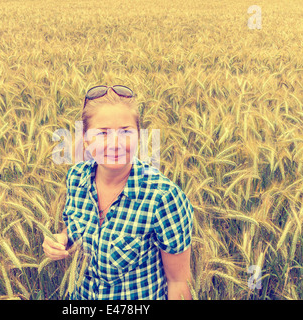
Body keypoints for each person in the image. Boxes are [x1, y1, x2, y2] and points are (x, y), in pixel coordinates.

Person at [42, 85, 194, 300]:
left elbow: (178, 282)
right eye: (102, 133)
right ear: (85, 138)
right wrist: (61, 240)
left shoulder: (163, 197)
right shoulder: (76, 178)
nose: (115, 143)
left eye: (126, 132)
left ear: (139, 136)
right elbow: (74, 227)